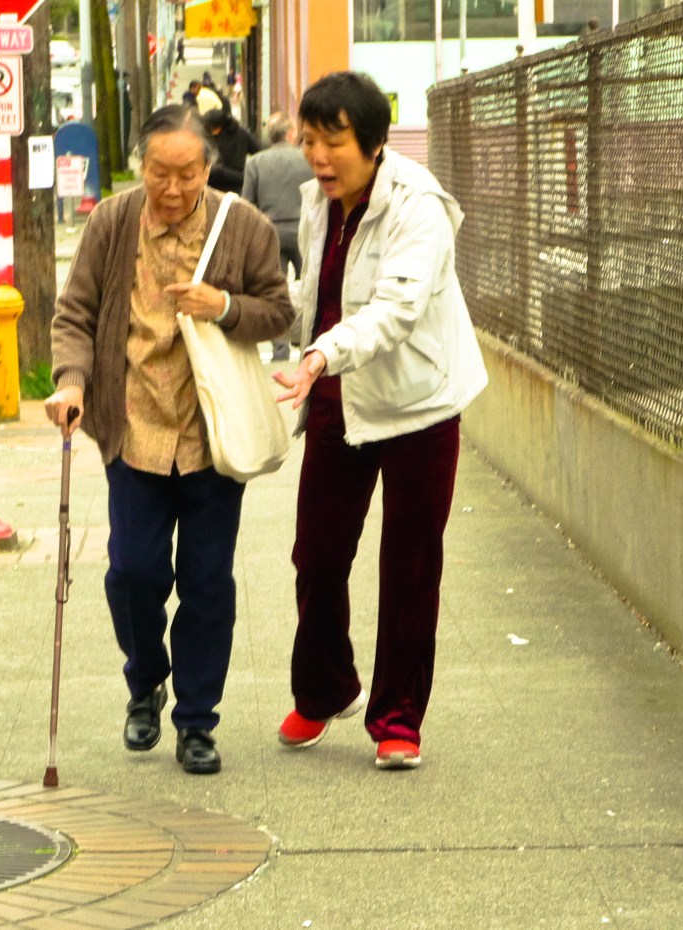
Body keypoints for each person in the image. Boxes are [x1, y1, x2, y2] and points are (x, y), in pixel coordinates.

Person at [45, 104, 294, 776]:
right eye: (161, 173)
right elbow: (76, 313)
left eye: (188, 174)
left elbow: (279, 310)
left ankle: (197, 721)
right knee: (133, 573)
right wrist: (71, 383)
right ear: (141, 166)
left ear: (208, 168)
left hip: (213, 436)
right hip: (134, 430)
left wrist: (226, 307)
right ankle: (146, 679)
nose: (175, 188)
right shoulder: (112, 222)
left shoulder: (243, 227)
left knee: (207, 582)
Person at [272, 72, 488, 770]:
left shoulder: (418, 206)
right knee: (317, 555)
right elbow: (318, 295)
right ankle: (324, 688)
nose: (318, 156)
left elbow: (395, 309)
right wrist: (245, 312)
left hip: (420, 403)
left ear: (373, 143)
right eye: (309, 140)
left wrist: (320, 353)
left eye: (333, 142)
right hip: (339, 397)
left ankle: (397, 717)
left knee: (410, 566)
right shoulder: (318, 200)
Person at [242, 111, 313, 360]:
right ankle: (309, 342)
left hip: (270, 232)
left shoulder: (255, 162)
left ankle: (280, 349)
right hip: (305, 229)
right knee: (312, 288)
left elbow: (247, 202)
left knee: (276, 293)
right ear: (291, 134)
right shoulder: (307, 159)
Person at [202, 107, 261, 194]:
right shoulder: (242, 133)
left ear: (217, 127)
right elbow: (259, 152)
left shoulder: (214, 138)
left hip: (219, 185)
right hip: (238, 182)